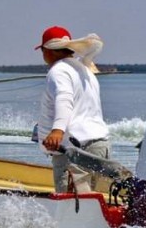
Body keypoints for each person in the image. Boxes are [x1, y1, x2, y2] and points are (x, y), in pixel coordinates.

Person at [34, 25, 110, 193]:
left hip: (75, 150)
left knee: (73, 206)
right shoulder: (85, 70)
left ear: (49, 50)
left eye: (42, 51)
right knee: (92, 203)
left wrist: (57, 131)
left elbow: (64, 99)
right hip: (99, 145)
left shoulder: (59, 71)